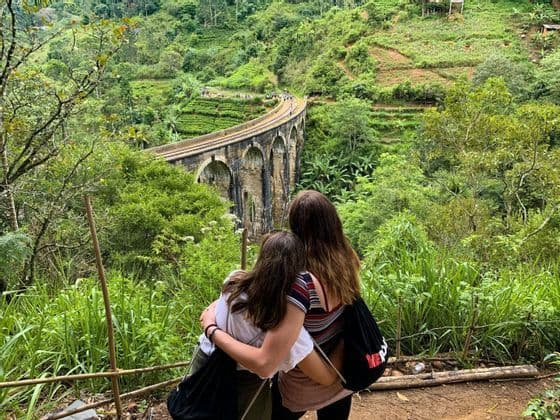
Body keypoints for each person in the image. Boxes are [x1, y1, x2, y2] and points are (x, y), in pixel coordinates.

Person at [201, 190, 361, 420]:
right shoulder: (349, 259)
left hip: (305, 372)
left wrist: (214, 322)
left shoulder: (300, 281)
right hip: (340, 363)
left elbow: (275, 334)